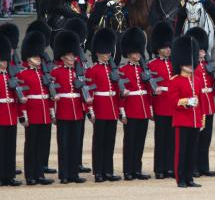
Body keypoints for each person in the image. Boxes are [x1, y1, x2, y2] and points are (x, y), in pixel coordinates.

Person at [17, 32, 55, 186]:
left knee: (41, 146)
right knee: (31, 145)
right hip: (32, 114)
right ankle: (30, 175)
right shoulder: (23, 74)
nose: (39, 58)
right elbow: (22, 97)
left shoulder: (43, 74)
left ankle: (39, 174)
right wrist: (23, 115)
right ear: (28, 57)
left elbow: (49, 95)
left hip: (45, 113)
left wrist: (52, 113)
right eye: (36, 56)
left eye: (39, 56)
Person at [50, 31, 88, 184]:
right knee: (64, 144)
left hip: (77, 112)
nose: (73, 58)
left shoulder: (78, 72)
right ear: (62, 56)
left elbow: (85, 92)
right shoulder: (55, 72)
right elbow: (52, 93)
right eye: (70, 56)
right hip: (64, 112)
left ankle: (74, 173)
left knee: (75, 144)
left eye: (74, 55)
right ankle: (64, 174)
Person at [85, 28, 122, 183]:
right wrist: (90, 111)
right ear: (98, 53)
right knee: (99, 142)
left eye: (108, 52)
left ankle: (108, 170)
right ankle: (98, 171)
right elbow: (89, 93)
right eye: (104, 52)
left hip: (112, 109)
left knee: (110, 141)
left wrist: (121, 110)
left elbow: (117, 92)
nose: (107, 55)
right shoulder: (92, 70)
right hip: (100, 109)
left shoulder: (112, 69)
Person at [0, 35, 22, 187]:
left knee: (10, 147)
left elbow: (18, 96)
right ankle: (1, 176)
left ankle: (10, 175)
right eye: (2, 60)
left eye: (6, 60)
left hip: (11, 115)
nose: (5, 63)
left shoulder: (11, 76)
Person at [118, 28, 153, 181]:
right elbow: (121, 95)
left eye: (139, 51)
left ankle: (137, 169)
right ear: (129, 52)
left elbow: (148, 92)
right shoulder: (123, 70)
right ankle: (128, 170)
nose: (138, 54)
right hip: (131, 110)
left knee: (140, 141)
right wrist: (122, 113)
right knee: (130, 141)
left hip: (143, 109)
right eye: (135, 52)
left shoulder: (144, 69)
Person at [169, 36, 204, 188]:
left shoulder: (196, 80)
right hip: (182, 120)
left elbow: (201, 101)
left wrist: (202, 119)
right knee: (181, 151)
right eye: (187, 63)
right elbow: (173, 101)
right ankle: (180, 178)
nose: (190, 65)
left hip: (195, 120)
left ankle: (189, 177)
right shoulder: (175, 80)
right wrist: (186, 102)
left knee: (191, 151)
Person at [184, 28, 215, 178]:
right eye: (201, 51)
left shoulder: (208, 66)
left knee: (206, 138)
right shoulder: (192, 67)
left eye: (204, 51)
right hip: (199, 106)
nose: (203, 53)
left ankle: (204, 166)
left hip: (209, 104)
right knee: (196, 138)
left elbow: (213, 86)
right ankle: (194, 167)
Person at [148, 21, 175, 179]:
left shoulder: (174, 64)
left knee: (172, 139)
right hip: (160, 105)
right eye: (165, 47)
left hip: (173, 104)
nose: (168, 49)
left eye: (168, 47)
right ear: (159, 49)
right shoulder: (152, 65)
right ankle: (159, 169)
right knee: (161, 139)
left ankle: (170, 167)